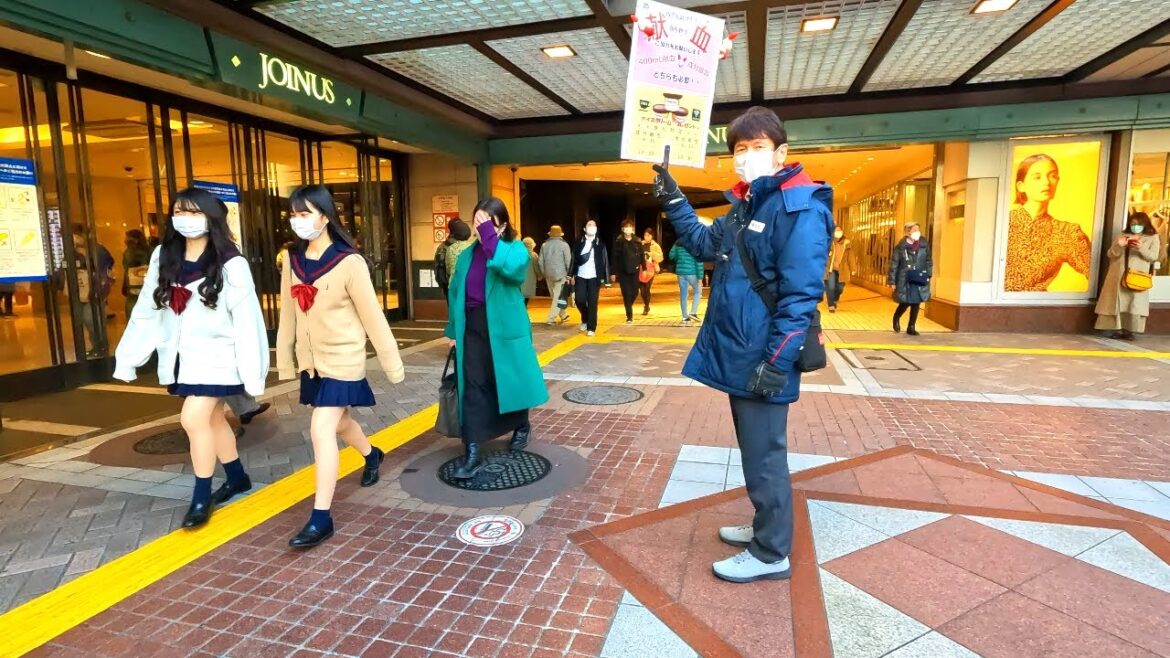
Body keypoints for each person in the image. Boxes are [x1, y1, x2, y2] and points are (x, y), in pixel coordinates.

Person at [652, 106, 831, 583]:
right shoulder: (748, 204)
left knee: (765, 455)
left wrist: (776, 362)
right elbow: (704, 243)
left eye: (757, 147)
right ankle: (762, 528)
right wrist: (673, 199)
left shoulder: (801, 207)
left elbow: (801, 296)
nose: (747, 156)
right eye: (739, 149)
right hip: (740, 351)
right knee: (754, 451)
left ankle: (772, 553)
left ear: (781, 152)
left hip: (764, 357)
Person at [113, 188, 268, 529]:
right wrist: (129, 358)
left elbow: (248, 322)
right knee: (212, 420)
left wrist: (254, 374)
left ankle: (201, 495)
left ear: (211, 217)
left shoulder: (231, 263)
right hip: (183, 360)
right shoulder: (163, 257)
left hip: (219, 359)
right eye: (179, 211)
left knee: (193, 420)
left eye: (193, 212)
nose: (185, 218)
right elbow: (147, 312)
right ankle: (237, 477)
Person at [276, 185, 405, 548]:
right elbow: (288, 314)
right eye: (294, 214)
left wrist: (391, 363)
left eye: (305, 213)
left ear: (325, 215)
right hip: (312, 362)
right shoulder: (292, 261)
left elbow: (373, 318)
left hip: (344, 358)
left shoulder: (350, 262)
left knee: (321, 429)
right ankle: (371, 454)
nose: (298, 221)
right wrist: (285, 360)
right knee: (340, 422)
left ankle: (321, 518)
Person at [444, 197, 548, 479]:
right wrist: (453, 331)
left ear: (502, 225)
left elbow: (512, 271)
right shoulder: (466, 255)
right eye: (476, 222)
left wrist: (490, 237)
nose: (480, 229)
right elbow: (455, 294)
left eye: (486, 223)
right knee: (474, 385)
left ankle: (521, 424)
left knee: (506, 381)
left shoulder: (515, 249)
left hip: (504, 329)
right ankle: (474, 448)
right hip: (472, 328)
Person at [1004, 154, 1092, 292]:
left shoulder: (1066, 233)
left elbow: (1097, 271)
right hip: (994, 303)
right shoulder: (1003, 223)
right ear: (1021, 186)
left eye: (1052, 176)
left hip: (1038, 308)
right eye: (1037, 177)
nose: (1046, 182)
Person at [1095, 212, 1161, 340]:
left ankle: (1130, 331)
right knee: (1116, 302)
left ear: (1145, 224)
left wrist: (1141, 248)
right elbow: (1111, 254)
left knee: (1133, 303)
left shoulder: (1152, 237)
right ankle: (1114, 328)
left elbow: (1153, 257)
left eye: (1138, 224)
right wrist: (1119, 245)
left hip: (1137, 276)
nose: (1135, 226)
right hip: (1118, 274)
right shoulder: (1123, 235)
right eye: (1132, 224)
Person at [72, 226, 115, 357]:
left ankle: (101, 347)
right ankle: (97, 347)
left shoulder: (97, 249)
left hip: (96, 290)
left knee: (91, 318)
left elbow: (105, 266)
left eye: (76, 235)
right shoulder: (76, 250)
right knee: (88, 319)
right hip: (83, 290)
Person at [888, 222, 932, 336]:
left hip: (918, 276)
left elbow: (928, 260)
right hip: (905, 277)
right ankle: (896, 318)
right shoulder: (900, 247)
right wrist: (892, 281)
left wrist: (928, 274)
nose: (917, 232)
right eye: (914, 230)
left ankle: (911, 326)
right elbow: (894, 264)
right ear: (907, 232)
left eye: (918, 229)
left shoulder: (923, 244)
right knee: (905, 302)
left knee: (916, 302)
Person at [570, 220, 608, 336]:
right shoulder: (578, 243)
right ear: (584, 229)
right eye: (589, 225)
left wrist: (607, 280)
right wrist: (570, 274)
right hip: (581, 275)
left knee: (592, 302)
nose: (592, 227)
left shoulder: (600, 243)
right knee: (579, 300)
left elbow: (605, 261)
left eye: (594, 225)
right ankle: (585, 318)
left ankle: (591, 327)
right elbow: (573, 259)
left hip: (594, 277)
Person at [539, 225, 572, 326]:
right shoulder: (564, 245)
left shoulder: (544, 245)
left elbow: (540, 261)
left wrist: (543, 272)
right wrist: (570, 274)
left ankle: (563, 314)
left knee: (555, 296)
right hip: (561, 275)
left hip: (548, 274)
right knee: (557, 297)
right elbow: (568, 261)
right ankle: (551, 318)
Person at [611, 220, 643, 324]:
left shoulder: (637, 241)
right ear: (622, 229)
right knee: (626, 293)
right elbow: (614, 258)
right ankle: (629, 315)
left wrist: (645, 268)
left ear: (633, 229)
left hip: (635, 270)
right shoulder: (619, 241)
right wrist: (613, 272)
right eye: (626, 227)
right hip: (623, 271)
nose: (628, 229)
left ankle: (629, 304)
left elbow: (642, 255)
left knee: (635, 292)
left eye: (630, 227)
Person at [669, 240, 703, 326]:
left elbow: (671, 256)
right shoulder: (695, 243)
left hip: (680, 273)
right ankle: (693, 312)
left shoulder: (678, 242)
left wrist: (677, 250)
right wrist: (700, 277)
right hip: (692, 272)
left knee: (683, 294)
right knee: (698, 291)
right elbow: (698, 262)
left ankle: (685, 317)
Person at [825, 228, 857, 313]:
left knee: (840, 288)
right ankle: (831, 305)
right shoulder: (829, 242)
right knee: (830, 287)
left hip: (842, 269)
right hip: (831, 269)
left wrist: (853, 268)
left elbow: (851, 257)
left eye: (839, 231)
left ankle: (835, 299)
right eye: (836, 231)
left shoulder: (847, 244)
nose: (837, 233)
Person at [122, 229, 151, 320]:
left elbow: (127, 265)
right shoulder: (149, 250)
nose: (126, 240)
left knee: (132, 314)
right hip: (147, 286)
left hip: (133, 288)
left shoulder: (129, 252)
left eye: (128, 237)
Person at [640, 228, 664, 316]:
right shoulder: (640, 244)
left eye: (648, 235)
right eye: (645, 235)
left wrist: (651, 254)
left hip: (651, 270)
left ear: (652, 236)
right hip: (641, 270)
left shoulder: (655, 246)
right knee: (642, 291)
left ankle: (646, 306)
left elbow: (661, 258)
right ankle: (646, 304)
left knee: (647, 288)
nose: (646, 237)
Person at [444, 219, 475, 289]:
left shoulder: (450, 249)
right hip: (469, 285)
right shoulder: (472, 247)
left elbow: (448, 270)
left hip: (454, 286)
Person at [434, 219, 460, 298]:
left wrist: (442, 284)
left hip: (446, 283)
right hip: (459, 283)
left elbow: (437, 268)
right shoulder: (462, 245)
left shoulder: (441, 247)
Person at [521, 237, 541, 305]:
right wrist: (540, 276)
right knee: (526, 299)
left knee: (521, 299)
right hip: (529, 280)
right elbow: (537, 268)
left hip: (519, 280)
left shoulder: (519, 254)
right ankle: (523, 313)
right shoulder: (533, 255)